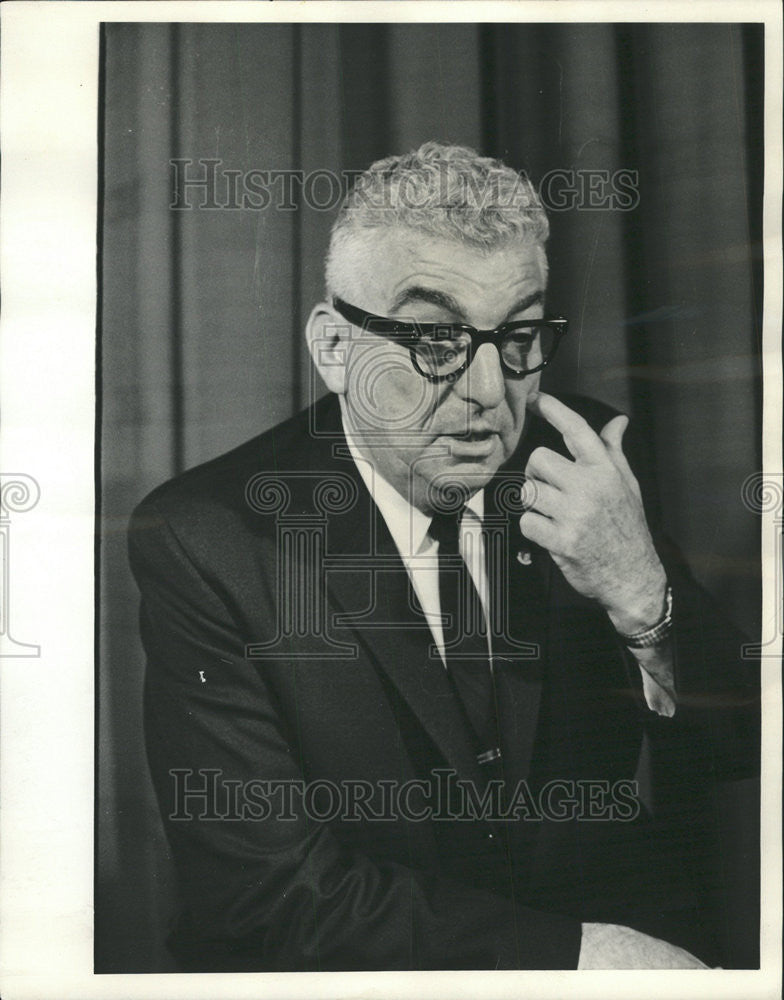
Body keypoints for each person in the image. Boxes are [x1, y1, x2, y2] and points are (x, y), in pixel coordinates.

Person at [128, 142, 759, 971]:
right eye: (433, 340)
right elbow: (267, 897)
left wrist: (642, 594)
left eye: (521, 336)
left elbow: (738, 748)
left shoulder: (578, 465)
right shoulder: (210, 538)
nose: (491, 393)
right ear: (333, 347)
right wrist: (575, 960)